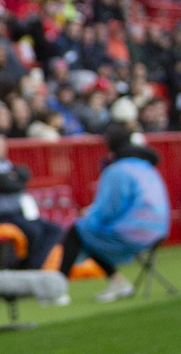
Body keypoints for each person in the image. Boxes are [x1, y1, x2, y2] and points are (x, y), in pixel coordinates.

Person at [58, 128, 170, 302]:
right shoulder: (146, 166)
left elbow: (108, 209)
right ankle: (117, 281)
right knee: (88, 234)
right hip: (160, 229)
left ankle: (57, 288)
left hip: (135, 231)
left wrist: (89, 214)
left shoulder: (118, 169)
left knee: (78, 231)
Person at [0, 129, 64, 270]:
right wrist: (13, 180)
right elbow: (3, 184)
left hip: (17, 213)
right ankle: (27, 269)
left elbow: (24, 173)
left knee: (54, 230)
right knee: (33, 231)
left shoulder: (4, 163)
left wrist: (13, 180)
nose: (2, 147)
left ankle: (32, 266)